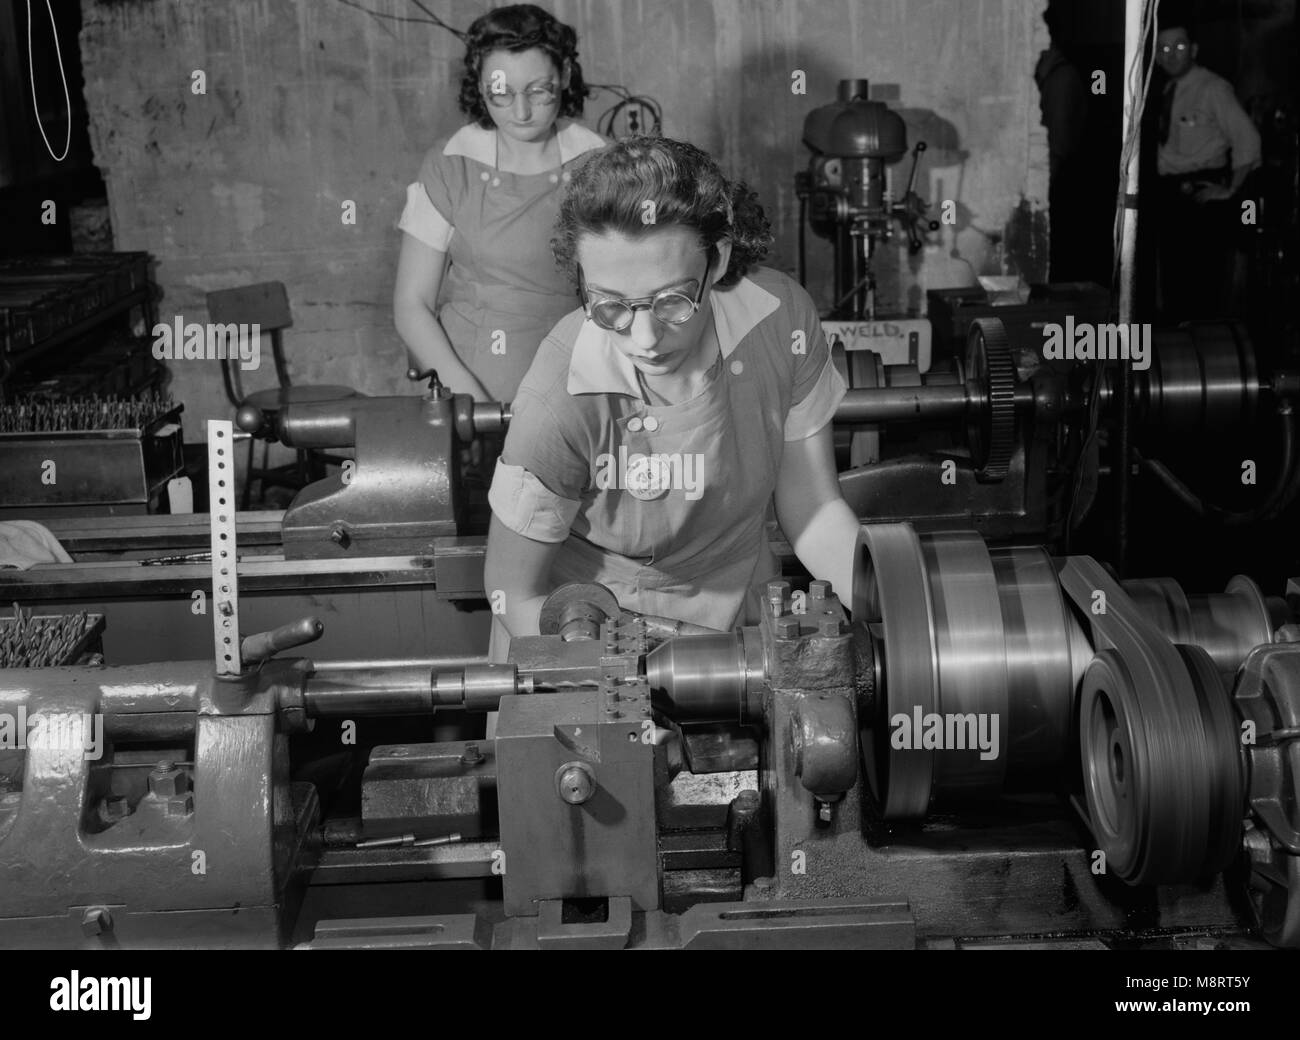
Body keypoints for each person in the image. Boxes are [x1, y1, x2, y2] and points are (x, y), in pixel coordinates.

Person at [483, 136, 861, 649]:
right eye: (610, 306)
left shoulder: (779, 322)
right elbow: (512, 592)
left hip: (741, 618)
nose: (644, 339)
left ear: (719, 260)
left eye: (673, 301)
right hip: (588, 636)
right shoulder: (560, 396)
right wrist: (606, 675)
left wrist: (892, 602)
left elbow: (812, 507)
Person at [393, 5, 606, 403]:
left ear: (564, 75)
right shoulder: (451, 164)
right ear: (479, 84)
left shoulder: (599, 160)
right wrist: (471, 402)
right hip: (473, 392)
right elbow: (412, 304)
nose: (521, 112)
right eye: (501, 93)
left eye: (539, 90)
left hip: (580, 385)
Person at [1151, 16, 1261, 319]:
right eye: (1162, 49)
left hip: (1199, 197)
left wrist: (1230, 189)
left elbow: (1248, 140)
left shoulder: (1212, 88)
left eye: (1179, 46)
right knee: (1174, 286)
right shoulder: (1166, 90)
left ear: (1195, 50)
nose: (1170, 54)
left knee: (1200, 290)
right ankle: (1183, 353)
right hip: (1170, 194)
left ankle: (1205, 359)